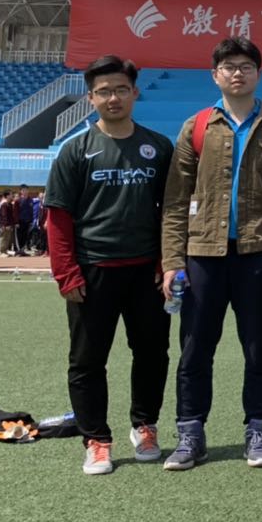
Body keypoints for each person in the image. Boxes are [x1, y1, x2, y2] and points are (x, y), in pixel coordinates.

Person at [160, 37, 262, 471]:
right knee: (195, 350)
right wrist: (173, 261)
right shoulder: (197, 126)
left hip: (258, 255)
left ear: (259, 73)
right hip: (202, 255)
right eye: (229, 66)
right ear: (215, 75)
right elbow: (176, 201)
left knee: (260, 349)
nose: (237, 73)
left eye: (246, 66)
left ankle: (258, 432)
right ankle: (190, 434)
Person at [44, 55, 173, 476]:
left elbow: (171, 212)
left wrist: (167, 262)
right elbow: (58, 218)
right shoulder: (75, 150)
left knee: (152, 353)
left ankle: (145, 426)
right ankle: (96, 440)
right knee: (87, 360)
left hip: (147, 272)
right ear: (91, 98)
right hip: (91, 271)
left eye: (120, 89)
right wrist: (66, 273)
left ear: (134, 93)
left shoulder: (159, 147)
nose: (112, 98)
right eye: (103, 91)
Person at [0, 191, 18, 258]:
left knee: (7, 239)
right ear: (7, 196)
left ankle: (5, 251)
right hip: (4, 225)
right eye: (11, 194)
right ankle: (1, 252)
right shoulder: (4, 204)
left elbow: (11, 215)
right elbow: (4, 215)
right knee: (3, 238)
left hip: (9, 225)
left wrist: (12, 224)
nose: (12, 196)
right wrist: (5, 224)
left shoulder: (10, 204)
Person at [15, 183, 35, 255]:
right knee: (19, 236)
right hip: (20, 221)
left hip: (28, 221)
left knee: (25, 236)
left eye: (26, 190)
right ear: (20, 191)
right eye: (23, 190)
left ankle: (22, 250)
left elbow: (32, 211)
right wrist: (16, 222)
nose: (25, 191)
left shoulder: (30, 200)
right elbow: (15, 212)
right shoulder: (18, 201)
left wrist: (31, 221)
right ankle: (18, 250)